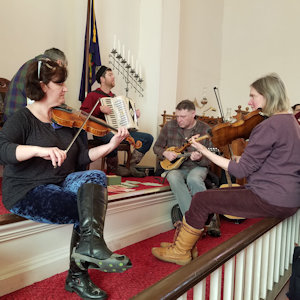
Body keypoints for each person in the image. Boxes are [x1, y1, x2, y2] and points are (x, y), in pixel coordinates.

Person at [0, 60, 132, 300]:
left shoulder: (67, 119)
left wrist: (111, 145)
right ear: (42, 86)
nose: (65, 89)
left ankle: (87, 252)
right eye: (59, 83)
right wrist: (39, 150)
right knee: (84, 207)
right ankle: (78, 274)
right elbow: (3, 149)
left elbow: (82, 157)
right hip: (26, 189)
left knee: (96, 175)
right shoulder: (22, 118)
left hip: (61, 180)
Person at [151, 73, 300, 266]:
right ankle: (186, 245)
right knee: (213, 194)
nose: (250, 101)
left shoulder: (269, 126)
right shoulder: (291, 123)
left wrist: (205, 151)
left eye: (253, 96)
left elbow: (240, 172)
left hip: (270, 197)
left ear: (267, 95)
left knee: (201, 199)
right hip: (288, 196)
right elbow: (279, 161)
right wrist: (242, 158)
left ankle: (180, 251)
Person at [80, 65, 153, 177]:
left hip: (118, 130)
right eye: (110, 75)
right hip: (102, 131)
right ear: (102, 79)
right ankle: (113, 167)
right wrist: (99, 109)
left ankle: (131, 166)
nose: (113, 77)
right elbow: (82, 113)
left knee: (148, 138)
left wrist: (133, 115)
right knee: (112, 137)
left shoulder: (114, 97)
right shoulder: (93, 95)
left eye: (113, 74)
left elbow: (122, 118)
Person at [153, 99, 213, 219]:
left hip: (198, 167)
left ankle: (205, 215)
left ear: (193, 114)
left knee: (194, 179)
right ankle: (191, 218)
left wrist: (199, 157)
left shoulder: (205, 130)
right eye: (177, 116)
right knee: (172, 176)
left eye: (183, 116)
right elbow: (156, 147)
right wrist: (165, 153)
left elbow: (210, 158)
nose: (179, 120)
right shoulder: (170, 126)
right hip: (177, 168)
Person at [4, 48, 67, 121]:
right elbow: (43, 100)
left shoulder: (33, 64)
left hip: (11, 114)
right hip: (18, 120)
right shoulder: (41, 69)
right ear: (59, 63)